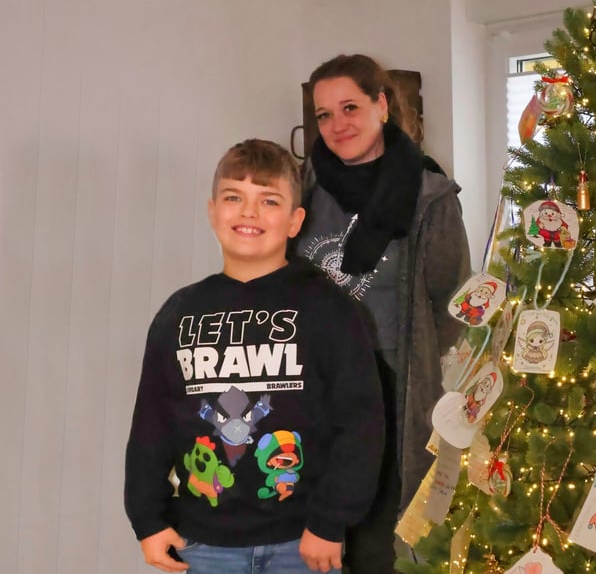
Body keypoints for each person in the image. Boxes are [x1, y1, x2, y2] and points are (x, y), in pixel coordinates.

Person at [124, 139, 385, 574]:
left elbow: (361, 424)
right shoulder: (179, 313)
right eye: (233, 198)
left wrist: (331, 521)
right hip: (203, 543)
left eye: (268, 200)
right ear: (213, 212)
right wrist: (147, 520)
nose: (248, 212)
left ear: (295, 220)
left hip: (303, 543)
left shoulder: (331, 311)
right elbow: (152, 423)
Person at [292, 53, 472, 572]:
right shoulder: (301, 186)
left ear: (382, 105)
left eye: (349, 107)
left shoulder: (429, 195)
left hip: (394, 393)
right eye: (323, 114)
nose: (336, 124)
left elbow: (452, 307)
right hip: (311, 388)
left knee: (377, 545)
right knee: (305, 535)